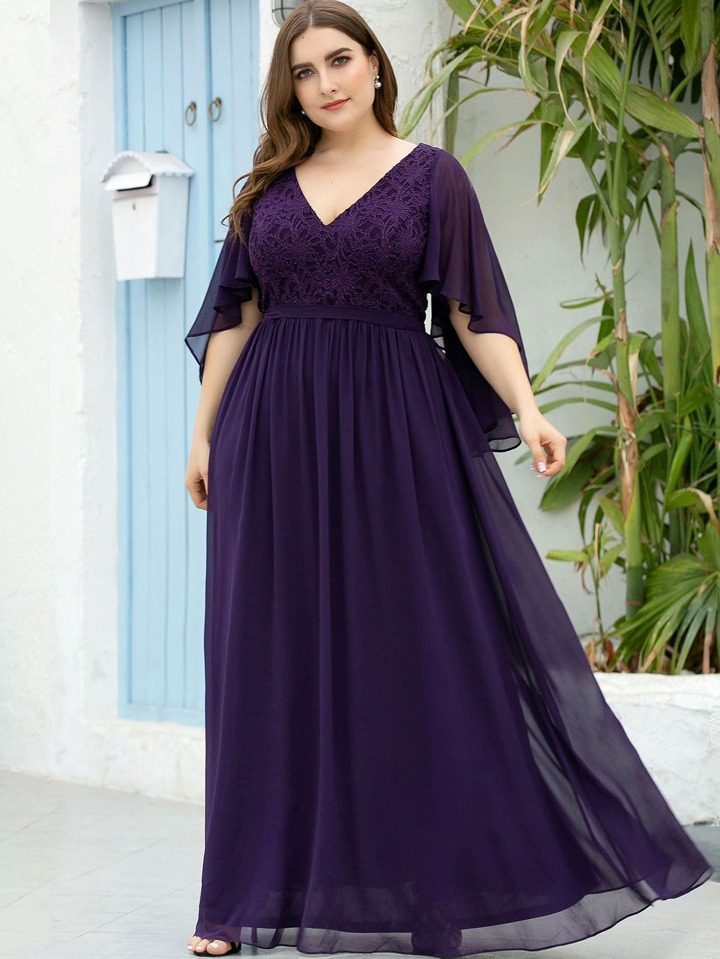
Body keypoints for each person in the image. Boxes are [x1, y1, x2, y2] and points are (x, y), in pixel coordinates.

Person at [183, 2, 713, 956]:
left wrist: (530, 406)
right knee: (267, 653)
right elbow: (237, 311)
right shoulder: (267, 188)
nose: (325, 83)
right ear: (288, 90)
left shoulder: (434, 178)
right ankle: (236, 899)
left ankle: (430, 887)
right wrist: (203, 433)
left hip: (395, 433)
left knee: (412, 650)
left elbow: (474, 312)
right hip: (274, 433)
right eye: (303, 72)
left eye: (339, 60)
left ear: (376, 65)